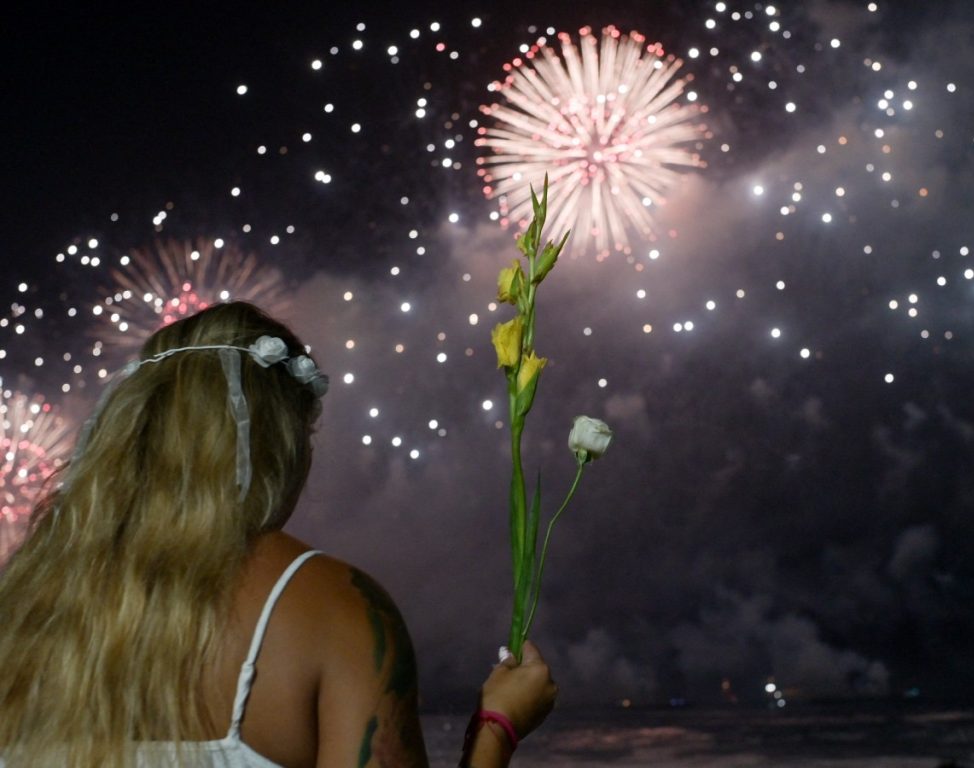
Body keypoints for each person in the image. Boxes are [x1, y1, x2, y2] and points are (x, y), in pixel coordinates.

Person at [0, 301, 557, 767]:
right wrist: (496, 730)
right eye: (306, 433)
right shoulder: (336, 609)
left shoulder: (25, 602)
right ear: (277, 442)